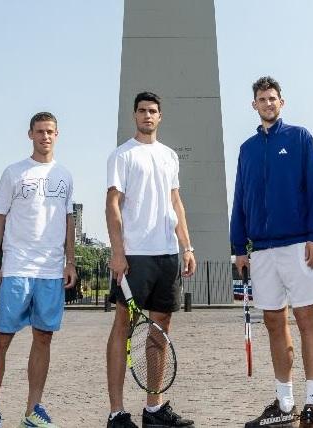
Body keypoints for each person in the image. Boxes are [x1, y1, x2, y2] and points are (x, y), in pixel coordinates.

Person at [230, 76, 313, 428]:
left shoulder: (300, 137)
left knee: (306, 321)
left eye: (273, 98)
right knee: (273, 322)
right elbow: (240, 198)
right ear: (253, 105)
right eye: (261, 99)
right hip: (263, 251)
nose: (268, 103)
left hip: (301, 244)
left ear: (281, 103)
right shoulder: (246, 149)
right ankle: (285, 403)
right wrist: (238, 247)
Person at [105, 92, 196, 428]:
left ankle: (154, 409)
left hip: (168, 254)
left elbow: (176, 203)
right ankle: (117, 413)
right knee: (122, 328)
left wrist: (187, 247)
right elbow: (112, 204)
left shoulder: (170, 156)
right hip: (135, 255)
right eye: (142, 110)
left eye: (153, 111)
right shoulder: (122, 155)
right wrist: (117, 251)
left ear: (160, 117)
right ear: (135, 116)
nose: (147, 115)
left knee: (160, 328)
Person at [0, 112, 77, 428]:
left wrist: (70, 260)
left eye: (50, 131)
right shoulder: (14, 172)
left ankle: (33, 409)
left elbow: (68, 221)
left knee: (44, 338)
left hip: (50, 271)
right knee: (1, 341)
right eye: (39, 131)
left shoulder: (65, 175)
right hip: (17, 267)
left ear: (57, 135)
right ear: (30, 135)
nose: (45, 136)